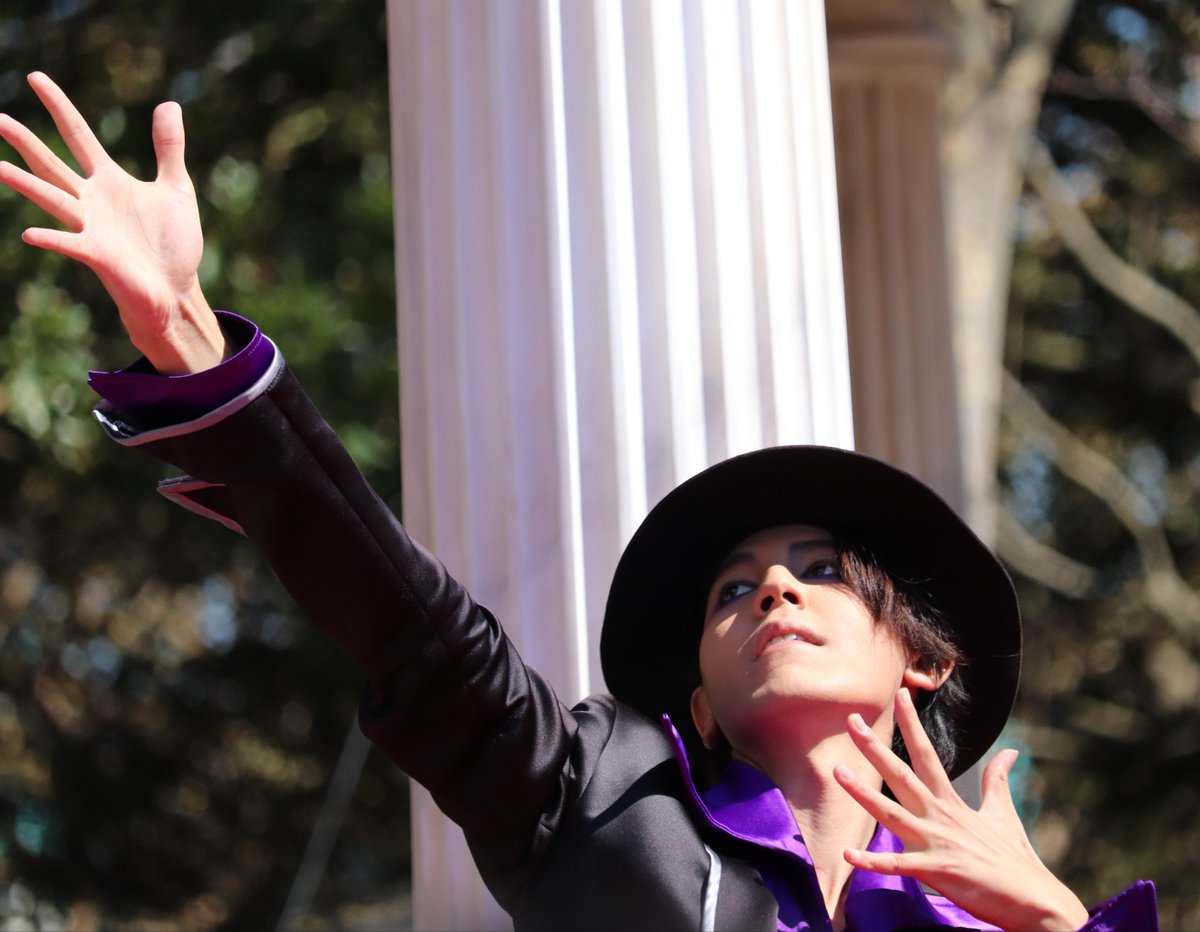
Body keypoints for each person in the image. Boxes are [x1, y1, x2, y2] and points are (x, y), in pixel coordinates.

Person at [0, 72, 1157, 931]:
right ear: (699, 696)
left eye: (819, 568)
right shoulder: (595, 800)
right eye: (731, 590)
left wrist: (1059, 917)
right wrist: (191, 341)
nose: (772, 590)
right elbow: (414, 631)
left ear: (926, 659)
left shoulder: (997, 916)